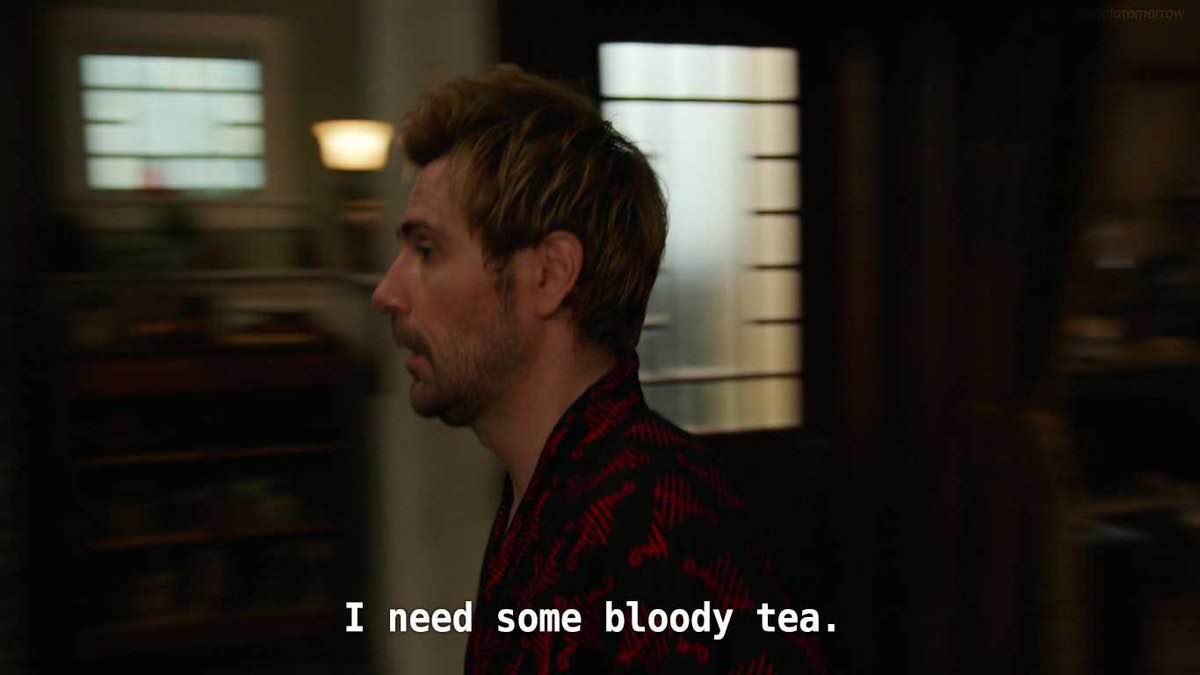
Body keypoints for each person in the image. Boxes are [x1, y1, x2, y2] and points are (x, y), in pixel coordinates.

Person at [372, 65, 825, 674]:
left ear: (550, 274)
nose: (388, 292)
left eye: (427, 250)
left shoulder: (654, 527)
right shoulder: (545, 497)